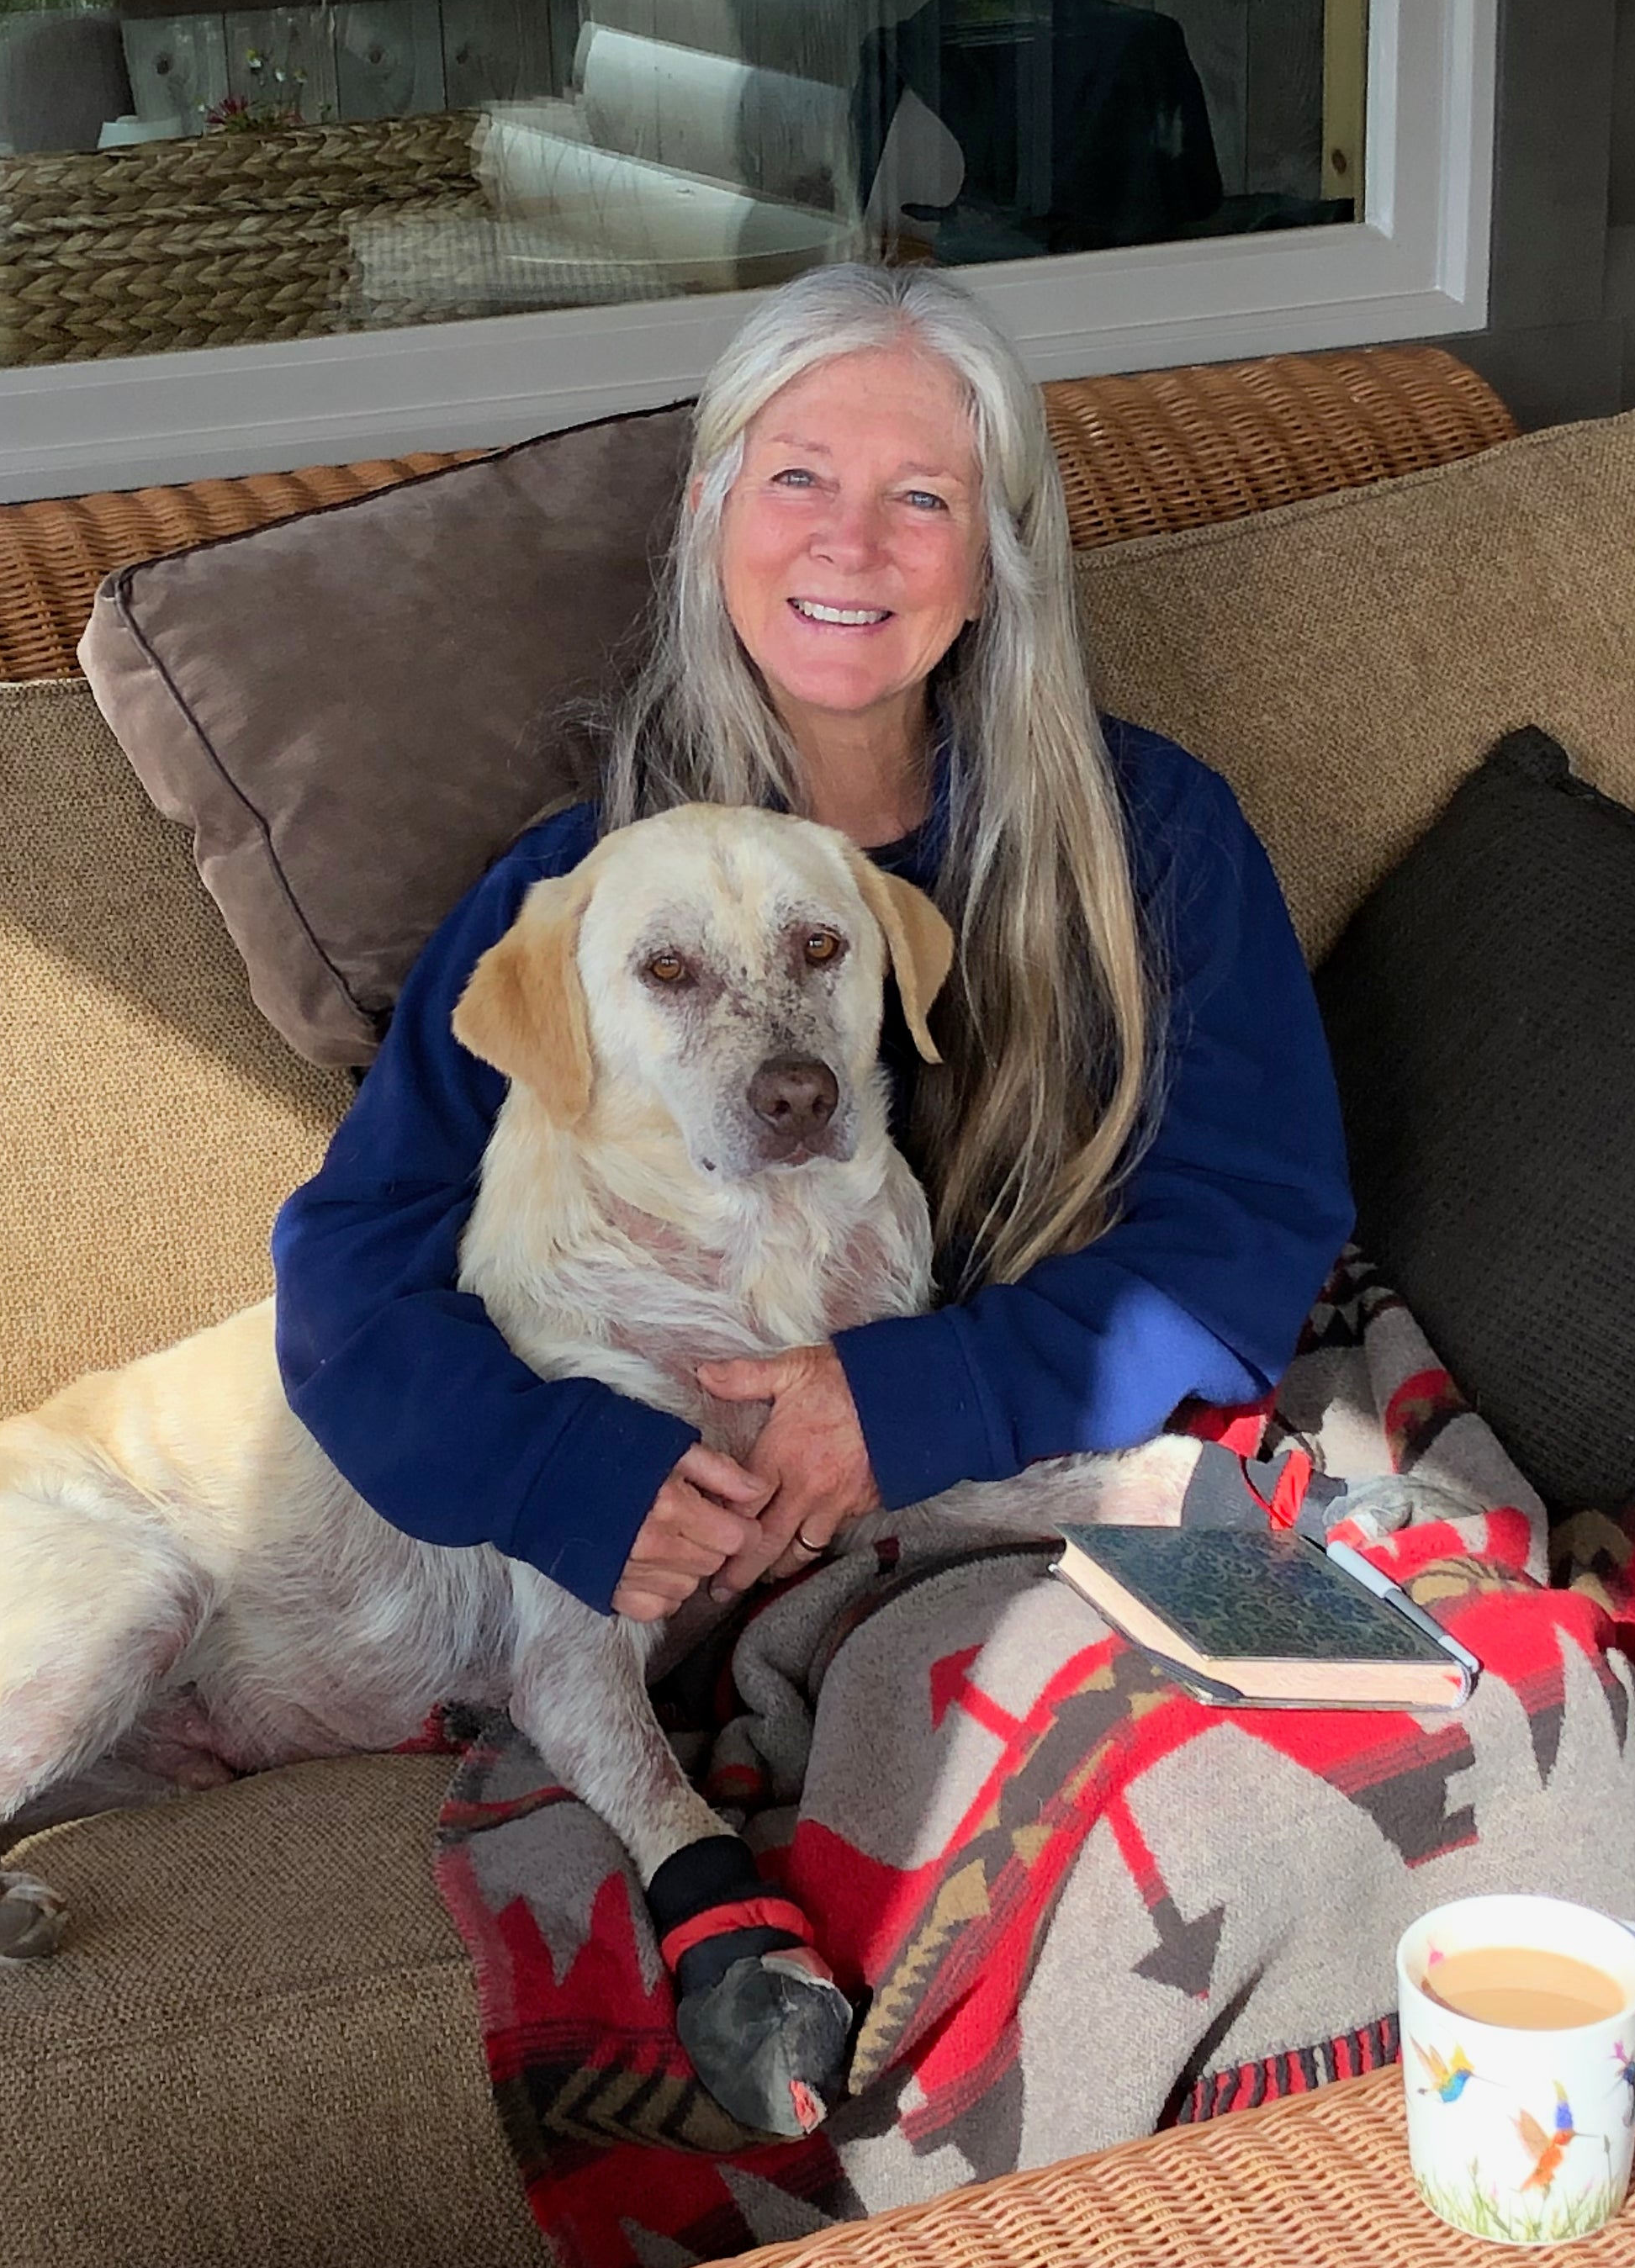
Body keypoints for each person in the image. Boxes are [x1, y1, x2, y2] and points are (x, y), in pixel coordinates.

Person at [272, 262, 1352, 1628]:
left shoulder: (1151, 833)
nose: (852, 546)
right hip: (691, 1569)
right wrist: (564, 1479)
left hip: (1021, 1477)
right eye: (797, 479)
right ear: (708, 515)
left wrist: (918, 1403)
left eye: (922, 497)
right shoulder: (588, 899)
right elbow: (350, 1270)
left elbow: (1256, 1210)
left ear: (996, 557)